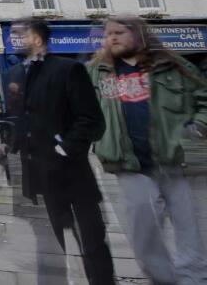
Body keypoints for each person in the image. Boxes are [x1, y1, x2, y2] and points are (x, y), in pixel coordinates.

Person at [87, 16, 207, 284]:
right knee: (144, 231)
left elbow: (204, 100)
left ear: (139, 34)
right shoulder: (95, 71)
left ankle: (194, 279)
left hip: (176, 160)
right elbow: (81, 111)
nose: (112, 38)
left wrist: (197, 128)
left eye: (119, 32)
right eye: (108, 34)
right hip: (129, 163)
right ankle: (162, 279)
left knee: (190, 228)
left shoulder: (174, 66)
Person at [4, 18, 114, 285]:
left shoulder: (69, 69)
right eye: (12, 34)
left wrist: (65, 149)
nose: (13, 38)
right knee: (56, 239)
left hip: (72, 171)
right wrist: (7, 147)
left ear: (38, 38)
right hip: (39, 172)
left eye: (20, 33)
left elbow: (91, 119)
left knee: (91, 238)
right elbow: (17, 119)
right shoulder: (15, 75)